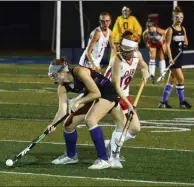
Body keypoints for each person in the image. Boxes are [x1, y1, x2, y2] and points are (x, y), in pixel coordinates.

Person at [46, 58, 130, 170]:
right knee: (68, 125)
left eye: (55, 75)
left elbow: (97, 93)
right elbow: (62, 111)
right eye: (51, 75)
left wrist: (78, 102)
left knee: (90, 119)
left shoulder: (80, 72)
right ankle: (71, 156)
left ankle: (103, 159)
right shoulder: (61, 88)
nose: (53, 78)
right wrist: (53, 124)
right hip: (91, 95)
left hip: (106, 92)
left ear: (63, 72)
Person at [104, 30, 150, 164]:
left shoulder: (137, 55)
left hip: (124, 94)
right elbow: (116, 87)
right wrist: (129, 105)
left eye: (129, 51)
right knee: (123, 125)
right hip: (110, 94)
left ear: (135, 48)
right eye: (124, 51)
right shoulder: (117, 60)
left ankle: (111, 143)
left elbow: (143, 65)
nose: (126, 54)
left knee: (135, 128)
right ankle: (113, 157)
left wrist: (145, 70)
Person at [158, 6, 192, 109]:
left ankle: (163, 102)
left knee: (171, 80)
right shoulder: (170, 30)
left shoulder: (183, 29)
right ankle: (182, 102)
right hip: (173, 59)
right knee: (181, 79)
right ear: (173, 17)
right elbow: (167, 44)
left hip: (180, 57)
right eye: (177, 17)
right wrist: (170, 58)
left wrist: (185, 44)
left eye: (181, 17)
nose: (179, 19)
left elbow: (186, 41)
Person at [142, 18, 166, 83]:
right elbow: (144, 38)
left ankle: (162, 74)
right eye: (148, 27)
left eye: (151, 26)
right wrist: (147, 43)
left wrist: (163, 39)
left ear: (153, 26)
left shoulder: (158, 30)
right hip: (153, 43)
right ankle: (152, 74)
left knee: (161, 57)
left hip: (161, 43)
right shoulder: (145, 33)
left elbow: (166, 33)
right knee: (152, 56)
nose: (150, 28)